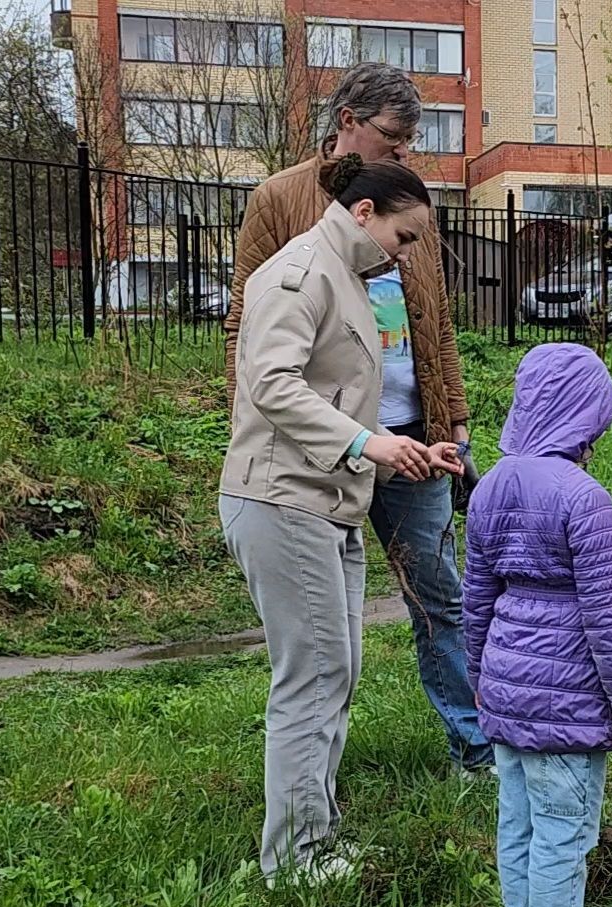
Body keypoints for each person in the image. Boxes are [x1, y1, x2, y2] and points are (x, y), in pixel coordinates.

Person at [225, 63, 493, 778]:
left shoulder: (410, 205)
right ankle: (311, 776)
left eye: (411, 141)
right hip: (317, 448)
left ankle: (475, 747)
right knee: (321, 631)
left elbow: (436, 328)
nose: (404, 152)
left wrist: (454, 419)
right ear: (348, 120)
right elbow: (245, 332)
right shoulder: (281, 199)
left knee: (441, 596)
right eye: (393, 137)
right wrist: (253, 429)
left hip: (411, 437)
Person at [220, 156, 464, 885]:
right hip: (283, 502)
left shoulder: (344, 273)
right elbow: (269, 383)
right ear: (363, 213)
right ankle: (293, 861)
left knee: (337, 672)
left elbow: (342, 398)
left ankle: (314, 838)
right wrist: (366, 444)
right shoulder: (303, 273)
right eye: (405, 233)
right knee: (314, 677)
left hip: (328, 502)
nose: (408, 250)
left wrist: (403, 451)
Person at [463, 342, 612, 907]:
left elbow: (475, 596)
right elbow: (607, 617)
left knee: (517, 820)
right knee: (563, 831)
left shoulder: (490, 484)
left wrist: (479, 677)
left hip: (506, 685)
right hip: (566, 697)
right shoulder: (585, 499)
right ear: (583, 419)